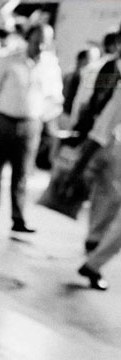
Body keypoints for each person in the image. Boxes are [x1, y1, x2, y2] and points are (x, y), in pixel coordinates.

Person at [0, 23, 63, 232]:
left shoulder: (51, 66)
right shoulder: (10, 59)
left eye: (45, 43)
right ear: (29, 39)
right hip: (3, 120)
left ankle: (18, 217)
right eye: (37, 42)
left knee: (22, 173)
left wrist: (41, 117)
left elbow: (56, 98)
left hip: (30, 125)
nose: (40, 47)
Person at [66, 81, 121, 291]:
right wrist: (80, 165)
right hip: (113, 150)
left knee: (107, 202)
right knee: (107, 202)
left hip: (110, 148)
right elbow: (105, 124)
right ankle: (94, 258)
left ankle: (94, 244)